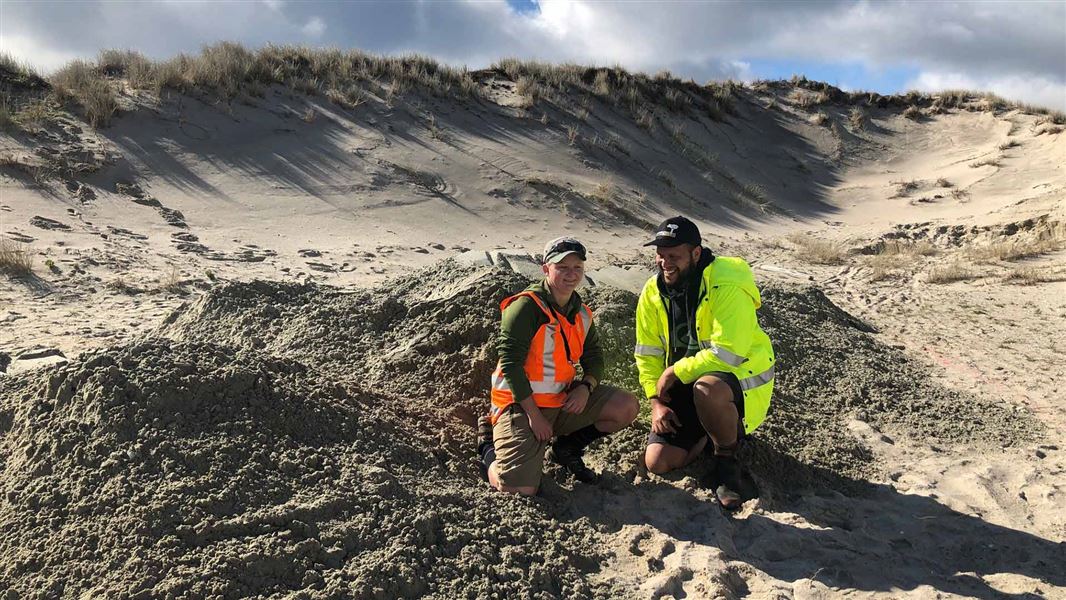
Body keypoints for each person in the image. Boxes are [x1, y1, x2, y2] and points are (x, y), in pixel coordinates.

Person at [476, 237, 639, 496]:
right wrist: (535, 416)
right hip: (519, 404)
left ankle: (566, 449)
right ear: (545, 269)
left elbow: (594, 357)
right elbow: (510, 363)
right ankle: (487, 445)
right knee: (519, 488)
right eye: (562, 267)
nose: (571, 274)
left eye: (577, 268)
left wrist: (586, 387)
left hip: (560, 401)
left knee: (626, 406)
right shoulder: (525, 307)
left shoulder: (581, 311)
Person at [634, 216, 775, 510]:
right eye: (660, 254)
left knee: (707, 389)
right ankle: (706, 434)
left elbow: (728, 352)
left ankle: (727, 461)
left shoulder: (726, 283)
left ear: (696, 254)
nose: (664, 262)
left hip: (731, 379)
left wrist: (673, 371)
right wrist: (655, 402)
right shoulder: (652, 291)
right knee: (657, 462)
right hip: (684, 383)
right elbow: (647, 353)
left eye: (674, 256)